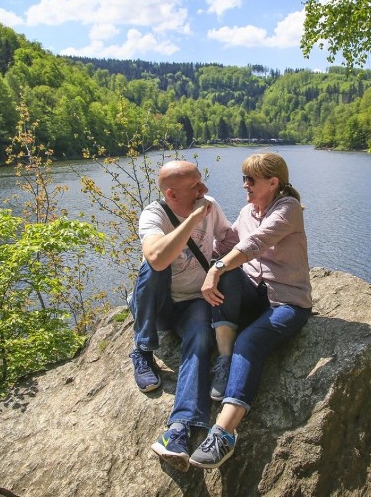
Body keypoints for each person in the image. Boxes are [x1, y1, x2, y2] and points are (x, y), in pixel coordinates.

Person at [191, 152, 312, 469]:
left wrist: (216, 268)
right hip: (255, 296)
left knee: (251, 342)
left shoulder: (288, 209)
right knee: (226, 270)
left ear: (273, 183)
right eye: (244, 178)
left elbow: (254, 244)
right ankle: (225, 361)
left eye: (251, 179)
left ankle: (224, 433)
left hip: (287, 301)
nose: (245, 184)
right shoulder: (247, 211)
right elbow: (228, 243)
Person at [128, 160, 241, 472]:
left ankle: (178, 431)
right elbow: (157, 256)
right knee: (152, 268)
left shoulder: (210, 205)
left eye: (201, 182)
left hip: (195, 304)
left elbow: (230, 239)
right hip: (163, 305)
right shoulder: (153, 214)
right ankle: (143, 347)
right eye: (195, 186)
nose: (203, 190)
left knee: (201, 341)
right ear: (171, 193)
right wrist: (191, 220)